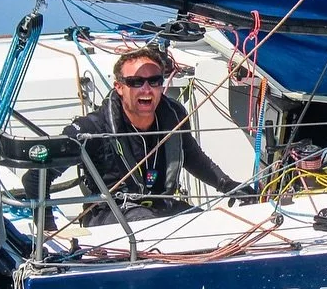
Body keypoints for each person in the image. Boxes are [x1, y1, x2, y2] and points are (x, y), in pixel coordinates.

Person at [26, 45, 244, 226]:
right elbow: (35, 176)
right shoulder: (92, 128)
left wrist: (229, 186)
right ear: (119, 87)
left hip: (162, 207)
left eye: (154, 81)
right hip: (110, 214)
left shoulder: (174, 115)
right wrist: (48, 228)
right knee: (147, 223)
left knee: (211, 225)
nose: (146, 89)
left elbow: (193, 157)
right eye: (136, 82)